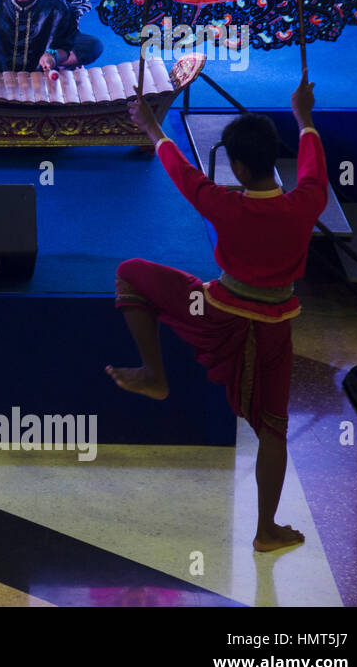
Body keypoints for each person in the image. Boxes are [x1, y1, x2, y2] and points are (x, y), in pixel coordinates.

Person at [107, 72, 326, 553]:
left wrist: (151, 127)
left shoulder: (226, 205)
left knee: (130, 273)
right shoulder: (307, 203)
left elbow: (185, 175)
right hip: (275, 332)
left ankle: (154, 374)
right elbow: (313, 168)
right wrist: (304, 118)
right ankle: (267, 531)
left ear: (241, 169)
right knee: (273, 428)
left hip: (216, 310)